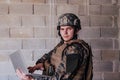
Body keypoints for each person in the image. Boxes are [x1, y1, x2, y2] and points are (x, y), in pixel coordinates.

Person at [16, 13, 93, 80]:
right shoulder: (63, 44)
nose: (65, 33)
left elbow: (61, 78)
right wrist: (40, 65)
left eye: (69, 29)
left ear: (76, 30)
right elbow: (48, 56)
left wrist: (32, 79)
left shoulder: (75, 50)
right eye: (62, 29)